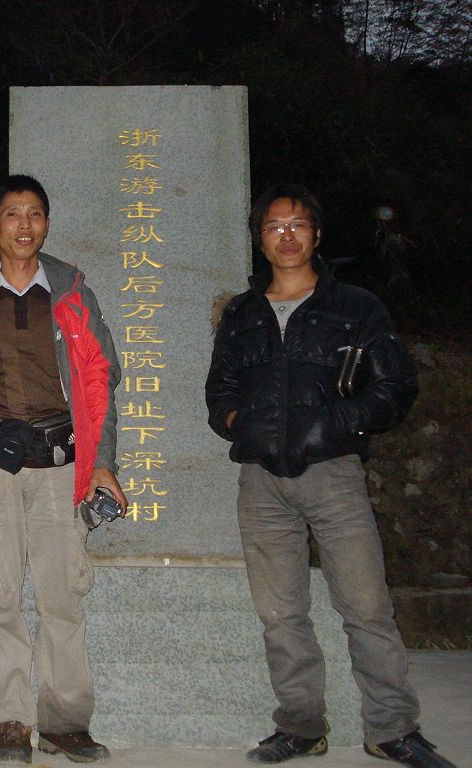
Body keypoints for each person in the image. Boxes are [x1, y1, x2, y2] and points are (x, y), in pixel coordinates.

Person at [205, 184, 456, 768]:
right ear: (259, 237)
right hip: (261, 481)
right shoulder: (242, 313)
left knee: (366, 606)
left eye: (298, 225)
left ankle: (392, 728)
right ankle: (300, 725)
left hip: (335, 474)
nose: (286, 235)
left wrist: (335, 425)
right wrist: (242, 424)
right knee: (280, 612)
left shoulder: (356, 307)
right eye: (273, 226)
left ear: (316, 235)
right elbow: (218, 391)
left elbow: (395, 386)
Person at [0, 175, 126, 764]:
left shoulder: (72, 293)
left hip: (60, 465)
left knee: (62, 596)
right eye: (11, 215)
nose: (23, 225)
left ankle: (64, 722)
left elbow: (102, 379)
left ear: (46, 224)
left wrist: (103, 463)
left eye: (34, 214)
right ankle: (9, 722)